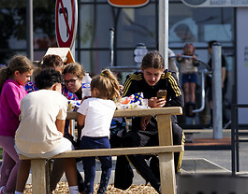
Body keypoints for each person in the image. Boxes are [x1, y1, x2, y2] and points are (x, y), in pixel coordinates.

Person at [121, 51, 184, 192]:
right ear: (142, 70)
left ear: (162, 71)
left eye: (156, 74)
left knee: (178, 132)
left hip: (166, 129)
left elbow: (180, 102)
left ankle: (176, 177)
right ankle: (156, 184)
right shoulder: (133, 79)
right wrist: (145, 105)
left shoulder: (169, 77)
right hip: (143, 132)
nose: (152, 78)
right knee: (128, 140)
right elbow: (121, 103)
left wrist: (153, 111)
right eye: (148, 73)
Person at [12, 68, 81, 194]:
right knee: (70, 150)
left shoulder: (27, 98)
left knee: (25, 158)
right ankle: (74, 190)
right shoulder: (60, 99)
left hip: (22, 144)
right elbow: (60, 131)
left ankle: (18, 191)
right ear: (56, 86)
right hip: (49, 145)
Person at [0, 55, 33, 194]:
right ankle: (8, 190)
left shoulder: (20, 86)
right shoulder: (10, 86)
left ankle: (3, 190)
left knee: (8, 165)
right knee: (22, 161)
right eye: (27, 76)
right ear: (17, 73)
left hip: (13, 133)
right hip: (6, 134)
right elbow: (18, 109)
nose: (29, 80)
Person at [77, 69, 120, 194]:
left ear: (95, 90)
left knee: (89, 168)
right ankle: (102, 190)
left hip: (87, 140)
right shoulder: (112, 104)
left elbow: (80, 121)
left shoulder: (87, 102)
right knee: (107, 166)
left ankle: (89, 190)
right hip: (103, 140)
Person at [177, 43, 199, 118]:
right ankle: (187, 104)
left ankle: (192, 104)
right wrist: (179, 57)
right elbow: (179, 60)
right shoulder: (183, 57)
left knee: (192, 90)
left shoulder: (194, 57)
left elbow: (197, 64)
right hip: (185, 74)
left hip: (192, 73)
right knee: (186, 89)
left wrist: (195, 59)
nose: (188, 53)